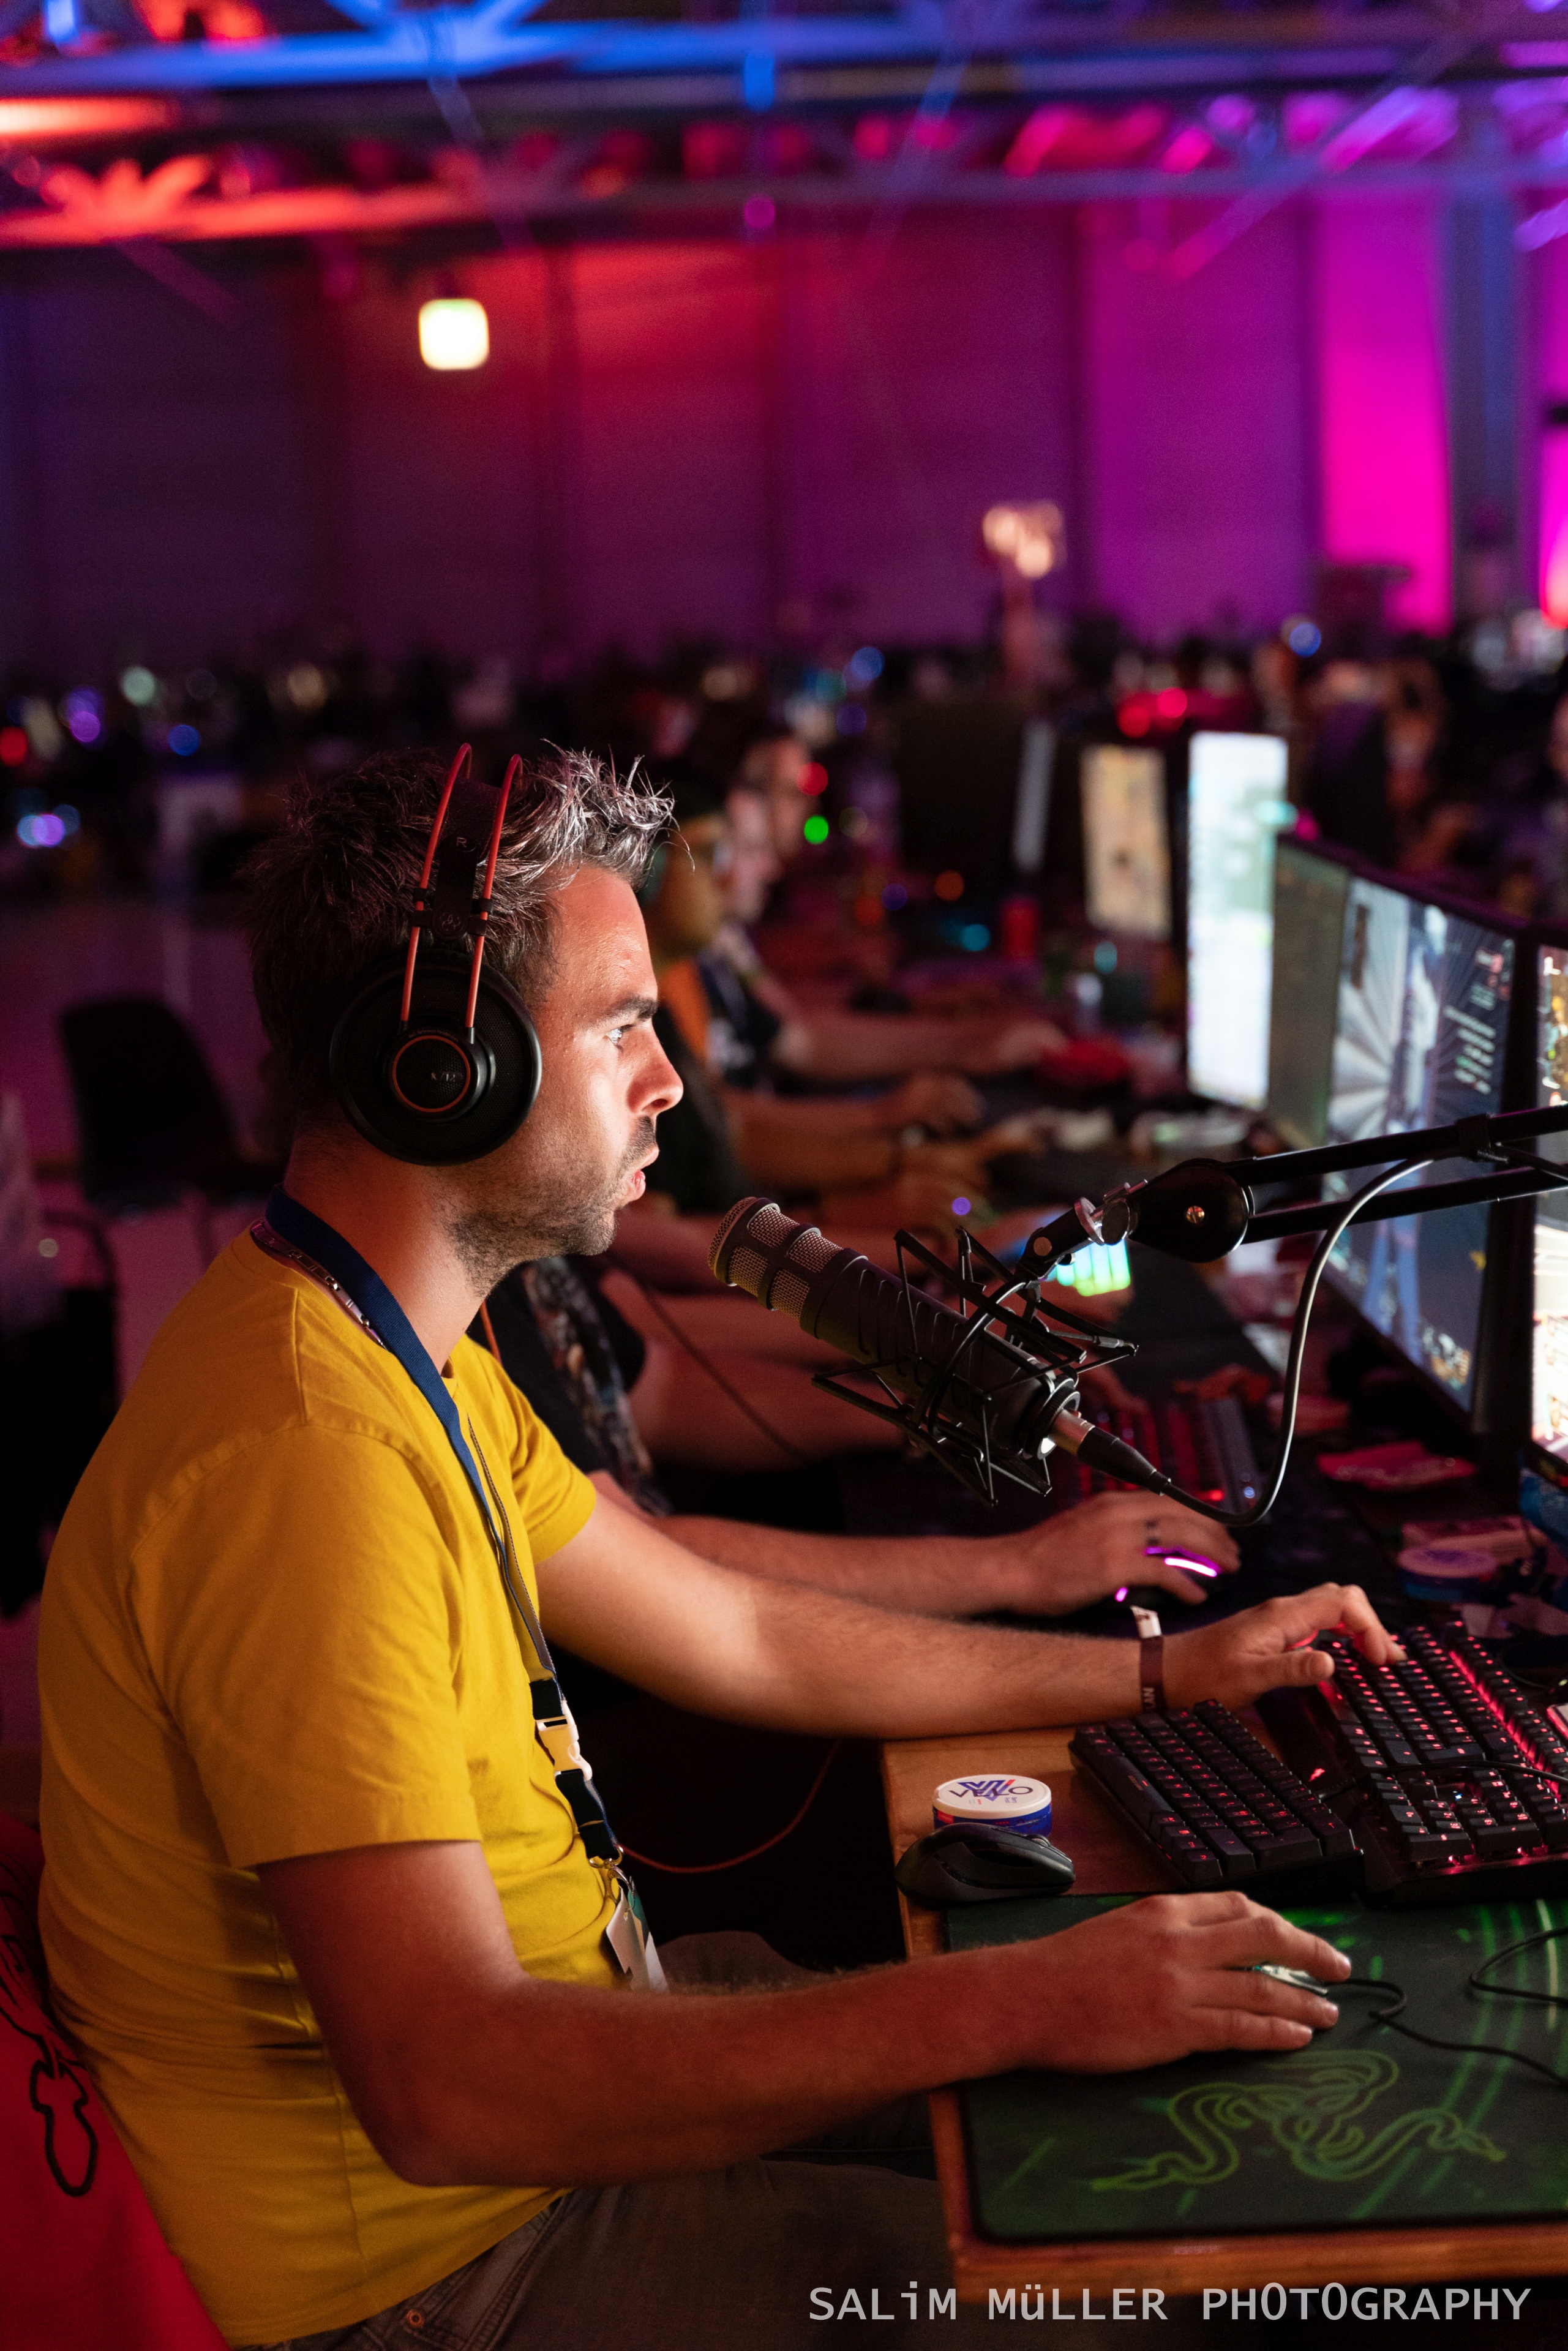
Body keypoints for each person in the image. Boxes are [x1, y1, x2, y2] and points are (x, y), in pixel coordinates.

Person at [40, 747, 1392, 2350]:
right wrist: (1023, 1997)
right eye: (618, 1024)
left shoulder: (388, 1349)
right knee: (1154, 2289)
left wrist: (1168, 1676)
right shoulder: (301, 1460)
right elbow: (450, 2087)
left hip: (569, 2074)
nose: (668, 1078)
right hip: (444, 2268)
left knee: (1169, 2126)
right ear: (441, 1067)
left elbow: (736, 1630)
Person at [481, 1250, 1238, 1616]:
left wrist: (939, 1411)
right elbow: (634, 1552)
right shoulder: (472, 1324)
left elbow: (660, 1389)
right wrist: (1020, 1568)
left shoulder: (521, 1262)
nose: (666, 1080)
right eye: (618, 1031)